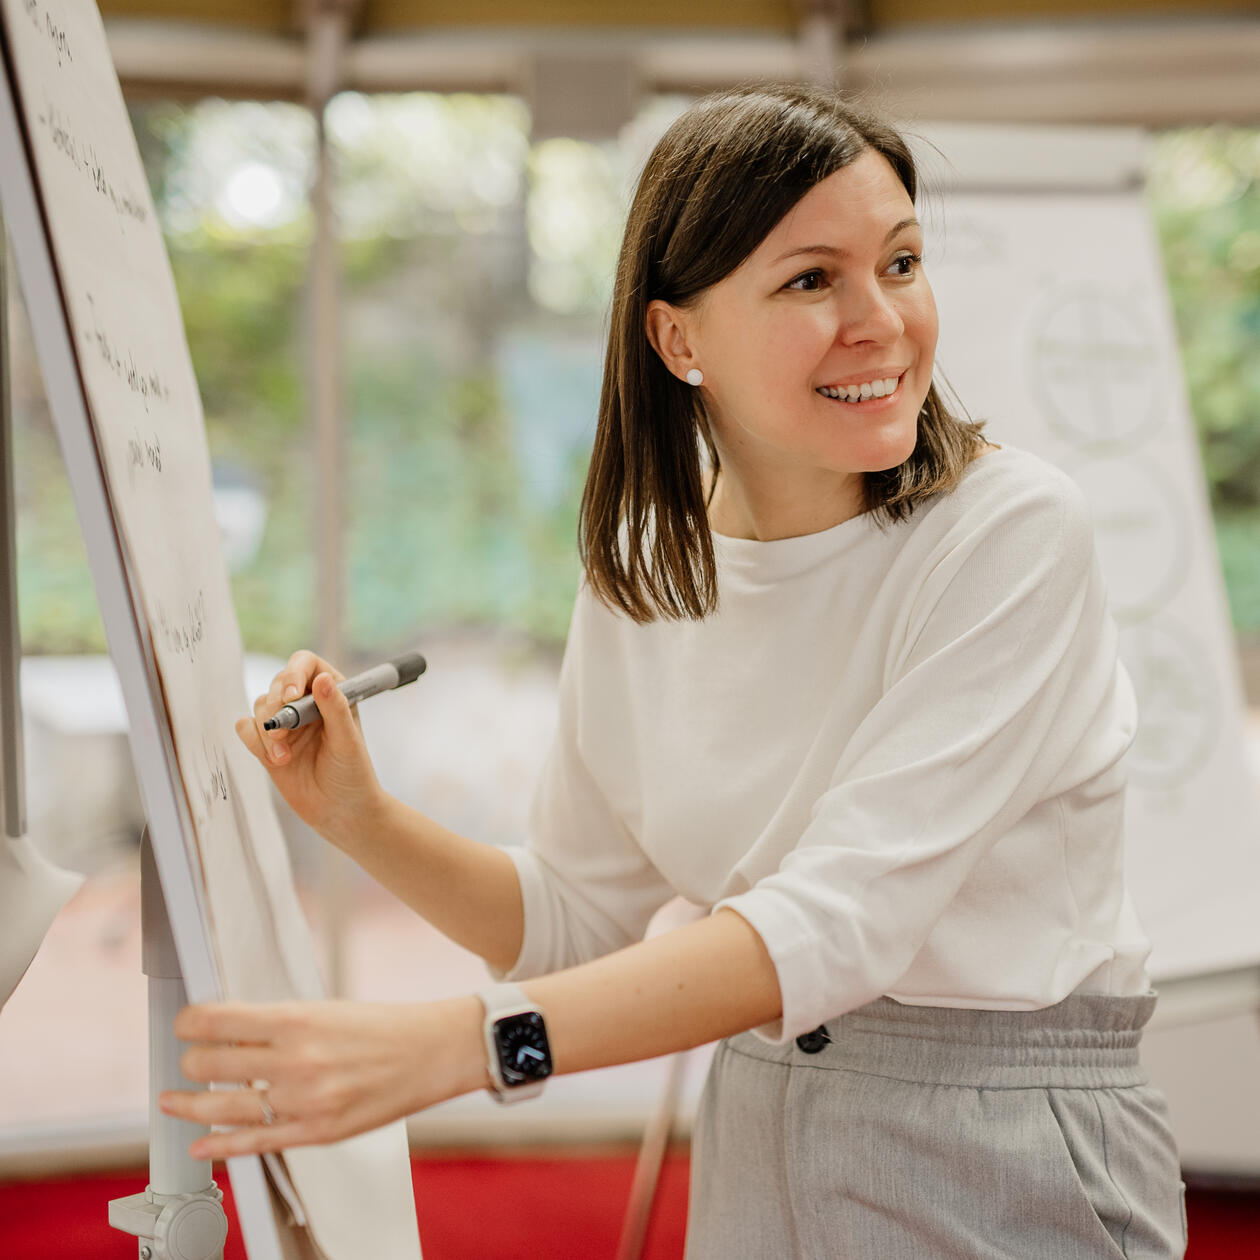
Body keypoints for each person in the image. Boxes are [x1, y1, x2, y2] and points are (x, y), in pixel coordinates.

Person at [160, 83, 1188, 1258]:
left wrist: (463, 1045)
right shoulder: (649, 566)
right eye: (812, 279)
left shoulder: (1011, 535)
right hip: (759, 1121)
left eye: (901, 264)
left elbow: (837, 925)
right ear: (677, 338)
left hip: (1000, 1139)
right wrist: (363, 818)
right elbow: (574, 919)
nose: (883, 321)